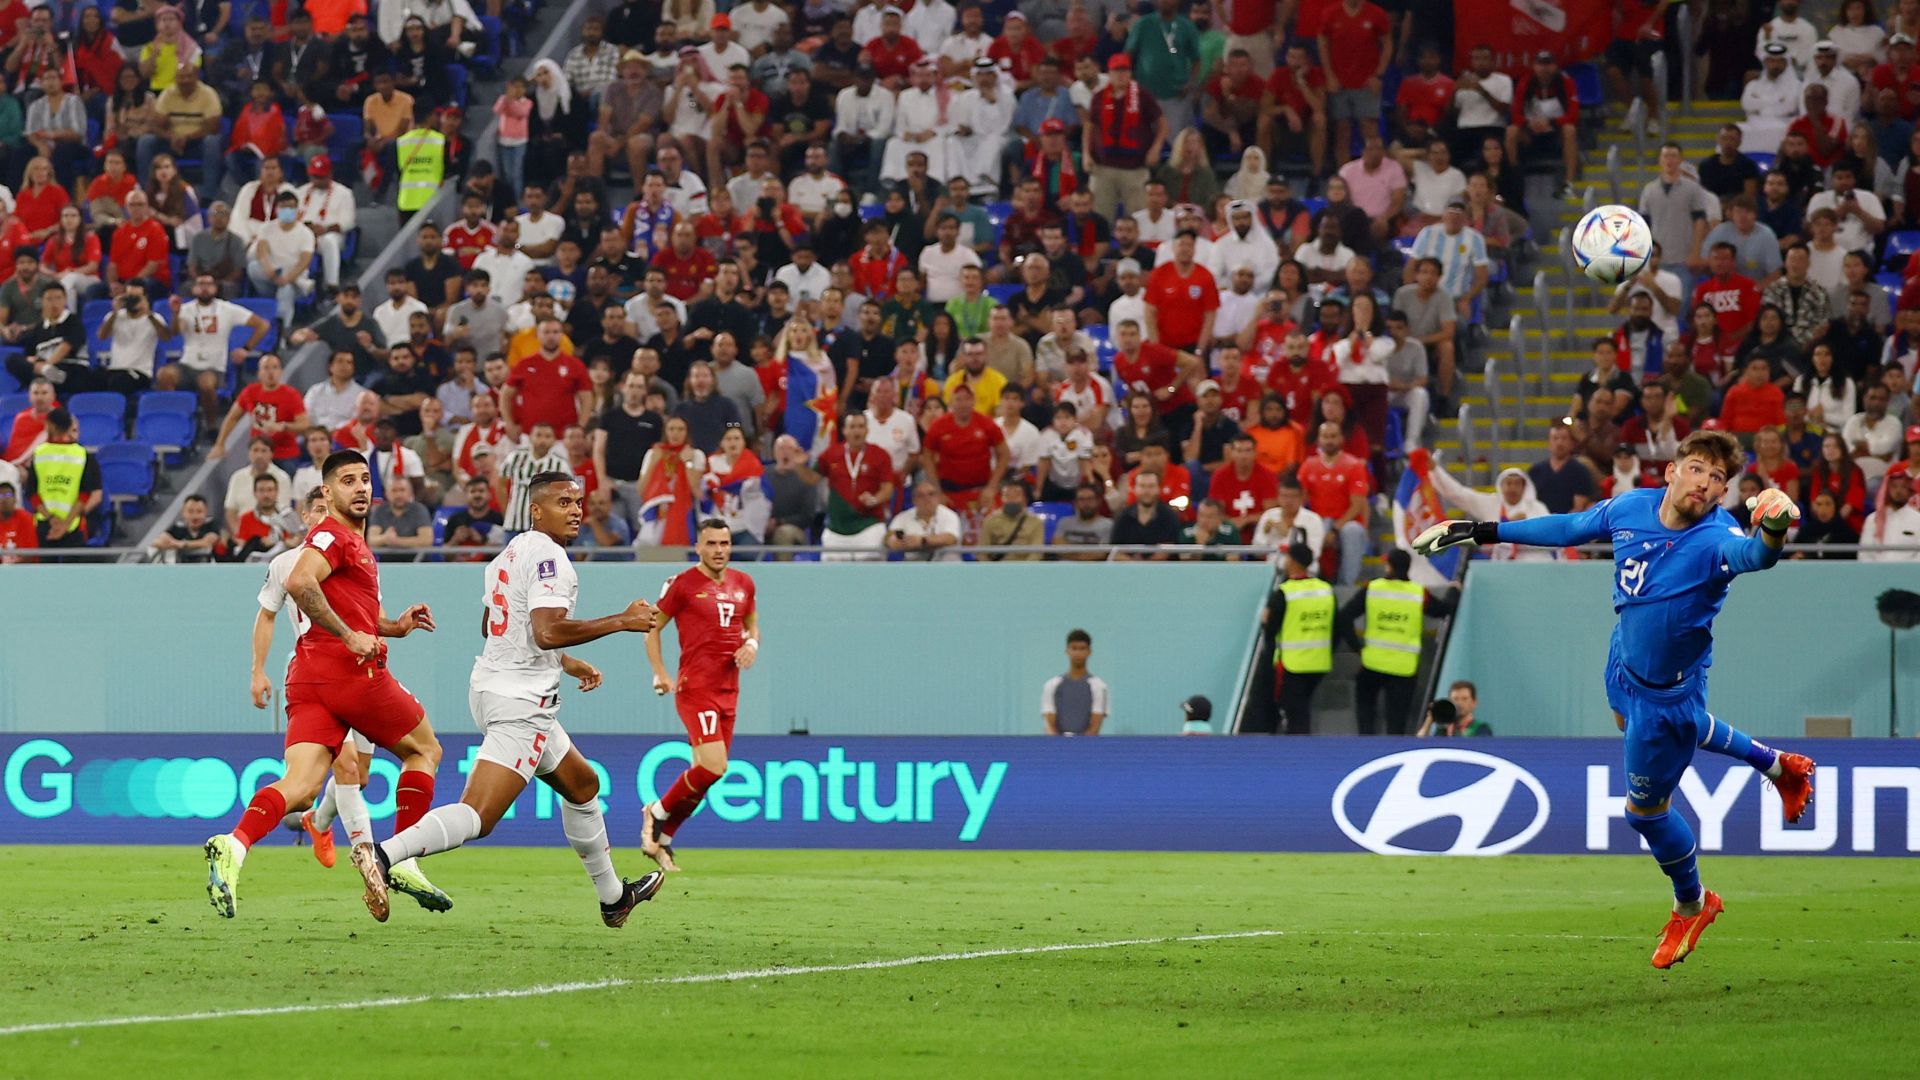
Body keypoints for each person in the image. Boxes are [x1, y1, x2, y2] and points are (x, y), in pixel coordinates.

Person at [1414, 429, 1816, 968]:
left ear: (1724, 496)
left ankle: (1692, 902)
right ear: (1672, 471)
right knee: (1636, 719)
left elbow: (1756, 556)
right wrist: (1480, 529)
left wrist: (1773, 527)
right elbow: (1570, 526)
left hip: (1664, 691)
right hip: (1623, 657)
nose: (1706, 483)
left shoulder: (1716, 539)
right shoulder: (1632, 505)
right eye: (1697, 468)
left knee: (1644, 813)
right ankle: (1777, 766)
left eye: (1718, 478)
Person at [355, 473, 666, 926]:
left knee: (582, 787)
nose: (576, 510)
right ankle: (384, 854)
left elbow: (494, 624)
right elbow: (545, 631)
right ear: (537, 510)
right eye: (564, 502)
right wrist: (623, 619)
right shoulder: (551, 558)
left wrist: (566, 663)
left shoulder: (511, 550)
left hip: (494, 687)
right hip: (521, 702)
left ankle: (614, 897)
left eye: (578, 501)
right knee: (479, 816)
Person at [202, 451, 449, 920]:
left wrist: (393, 626)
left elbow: (352, 611)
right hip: (350, 672)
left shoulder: (347, 542)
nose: (360, 488)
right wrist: (350, 635)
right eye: (348, 481)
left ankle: (234, 845)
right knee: (425, 751)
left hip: (308, 676)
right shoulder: (334, 535)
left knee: (299, 786)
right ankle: (402, 859)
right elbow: (300, 582)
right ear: (328, 492)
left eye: (365, 480)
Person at [638, 519, 759, 873]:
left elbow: (752, 624)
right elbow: (651, 629)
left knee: (709, 772)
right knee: (714, 765)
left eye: (724, 543)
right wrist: (660, 672)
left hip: (729, 690)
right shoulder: (683, 585)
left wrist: (751, 643)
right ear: (698, 547)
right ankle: (657, 812)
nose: (719, 550)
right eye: (711, 544)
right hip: (696, 688)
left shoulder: (744, 583)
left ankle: (664, 840)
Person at [1336, 548, 1458, 735]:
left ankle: (1364, 751)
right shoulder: (1417, 593)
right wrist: (1453, 590)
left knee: (1365, 714)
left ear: (1389, 566)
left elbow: (1344, 617)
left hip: (1372, 664)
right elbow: (1443, 609)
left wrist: (1357, 647)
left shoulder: (1373, 588)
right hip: (1404, 668)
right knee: (1397, 723)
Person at [1259, 541, 1332, 735]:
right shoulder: (1325, 589)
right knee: (1301, 711)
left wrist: (1265, 620)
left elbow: (1270, 628)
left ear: (1293, 561)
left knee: (1295, 717)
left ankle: (1297, 756)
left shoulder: (1285, 592)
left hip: (1292, 665)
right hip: (1319, 663)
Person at [22, 408, 100, 549]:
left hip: (45, 524)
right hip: (72, 525)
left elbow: (32, 493)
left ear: (51, 426)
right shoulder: (82, 454)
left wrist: (52, 519)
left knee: (45, 570)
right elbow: (84, 495)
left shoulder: (39, 453)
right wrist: (65, 524)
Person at [1041, 629, 1109, 736]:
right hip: (1057, 748)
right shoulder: (1051, 685)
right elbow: (1049, 725)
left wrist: (1079, 748)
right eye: (1074, 648)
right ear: (1067, 651)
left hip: (1087, 747)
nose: (1078, 653)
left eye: (1082, 649)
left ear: (1089, 652)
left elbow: (1095, 726)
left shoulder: (1099, 686)